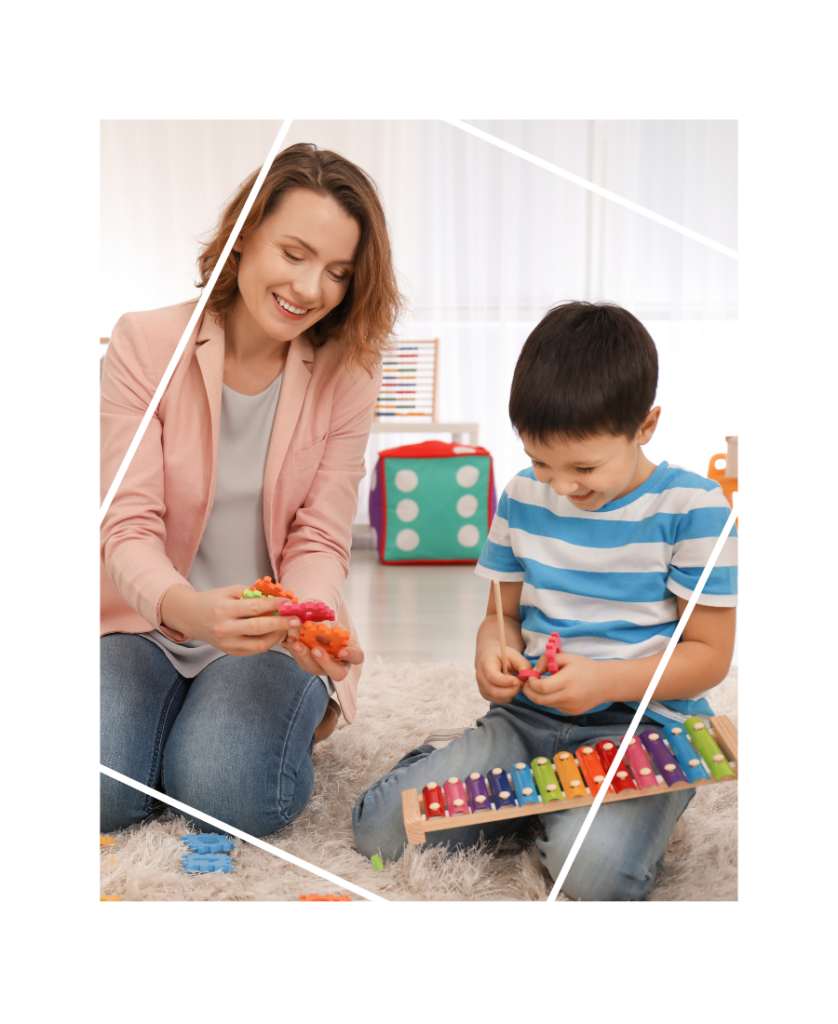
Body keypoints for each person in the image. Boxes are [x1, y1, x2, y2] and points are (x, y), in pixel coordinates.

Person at [352, 301, 739, 903]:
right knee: (378, 830)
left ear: (646, 425)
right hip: (529, 717)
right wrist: (493, 654)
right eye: (540, 460)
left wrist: (607, 680)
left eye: (584, 466)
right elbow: (500, 616)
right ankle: (526, 786)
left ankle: (592, 802)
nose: (559, 486)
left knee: (596, 879)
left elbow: (710, 657)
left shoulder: (695, 510)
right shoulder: (522, 495)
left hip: (644, 729)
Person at [99, 143, 403, 837]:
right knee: (102, 793)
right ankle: (182, 718)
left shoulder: (347, 375)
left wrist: (308, 618)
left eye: (337, 272)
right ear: (243, 242)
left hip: (271, 634)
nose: (310, 287)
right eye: (293, 253)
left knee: (226, 792)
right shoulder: (146, 344)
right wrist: (189, 610)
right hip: (145, 620)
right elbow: (127, 525)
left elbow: (321, 536)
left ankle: (225, 726)